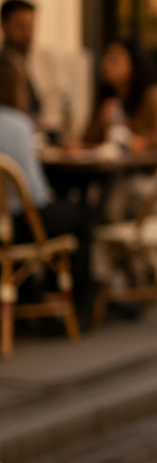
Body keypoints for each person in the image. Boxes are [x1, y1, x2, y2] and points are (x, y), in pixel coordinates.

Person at [0, 61, 92, 313]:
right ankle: (79, 305)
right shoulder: (19, 125)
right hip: (19, 223)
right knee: (79, 216)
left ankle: (28, 292)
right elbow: (36, 194)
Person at [83, 40, 157, 158]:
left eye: (114, 59)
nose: (106, 64)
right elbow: (88, 140)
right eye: (105, 58)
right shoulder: (107, 95)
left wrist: (138, 141)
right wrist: (103, 122)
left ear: (134, 62)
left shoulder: (154, 93)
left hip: (150, 170)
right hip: (114, 168)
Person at [0, 0, 41, 119]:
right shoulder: (6, 66)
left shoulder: (22, 61)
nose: (27, 34)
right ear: (4, 25)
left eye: (31, 26)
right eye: (20, 26)